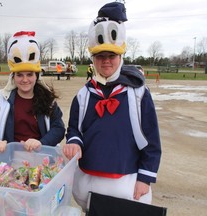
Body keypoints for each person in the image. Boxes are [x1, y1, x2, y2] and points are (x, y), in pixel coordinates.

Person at [63, 2, 161, 212]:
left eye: (111, 56)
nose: (106, 61)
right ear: (93, 59)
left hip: (125, 184)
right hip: (88, 182)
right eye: (100, 56)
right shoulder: (83, 95)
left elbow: (152, 141)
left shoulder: (139, 93)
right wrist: (74, 142)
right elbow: (74, 129)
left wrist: (145, 178)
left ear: (121, 55)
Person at [0, 31, 65, 154]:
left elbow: (58, 128)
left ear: (36, 76)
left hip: (39, 159)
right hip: (7, 161)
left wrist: (41, 142)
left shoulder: (48, 100)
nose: (25, 80)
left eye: (29, 75)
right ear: (13, 76)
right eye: (19, 75)